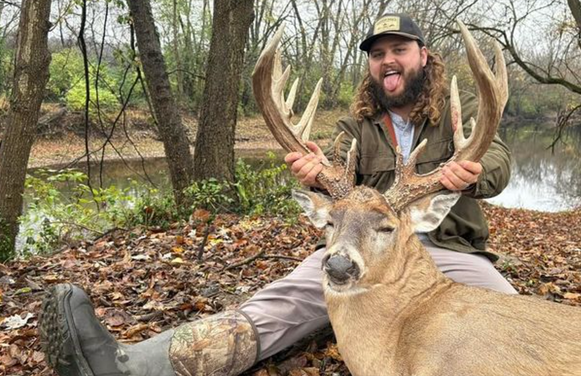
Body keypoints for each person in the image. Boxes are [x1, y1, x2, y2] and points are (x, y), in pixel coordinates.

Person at [39, 13, 516, 376]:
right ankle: (128, 363)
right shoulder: (357, 125)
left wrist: (470, 173)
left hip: (444, 251)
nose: (388, 59)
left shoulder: (462, 107)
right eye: (377, 53)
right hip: (357, 249)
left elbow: (497, 163)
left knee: (512, 319)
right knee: (274, 306)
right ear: (371, 65)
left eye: (399, 49)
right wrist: (314, 173)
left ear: (423, 55)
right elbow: (333, 176)